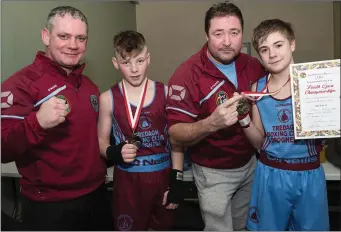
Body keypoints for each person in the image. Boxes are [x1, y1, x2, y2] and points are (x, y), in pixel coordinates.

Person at [1, 6, 113, 230]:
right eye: (64, 36)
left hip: (97, 195)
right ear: (46, 36)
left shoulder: (89, 85)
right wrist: (38, 122)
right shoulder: (20, 85)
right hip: (50, 206)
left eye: (80, 38)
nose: (73, 45)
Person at [166, 2, 266, 231]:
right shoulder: (187, 74)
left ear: (242, 32)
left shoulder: (253, 66)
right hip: (213, 173)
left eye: (234, 32)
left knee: (244, 227)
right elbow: (175, 134)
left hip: (250, 165)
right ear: (206, 35)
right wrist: (211, 123)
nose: (227, 42)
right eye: (218, 33)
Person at [240, 19, 329, 231]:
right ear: (259, 56)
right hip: (271, 172)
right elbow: (259, 143)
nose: (272, 54)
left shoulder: (316, 82)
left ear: (292, 44)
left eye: (278, 45)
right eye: (264, 49)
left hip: (309, 173)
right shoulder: (257, 88)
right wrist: (243, 119)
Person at [97, 30, 184, 231]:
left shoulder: (166, 93)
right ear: (115, 63)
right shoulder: (107, 98)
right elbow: (101, 142)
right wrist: (113, 152)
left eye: (140, 60)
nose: (134, 69)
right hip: (128, 181)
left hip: (162, 177)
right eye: (126, 63)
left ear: (149, 59)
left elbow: (177, 140)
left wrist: (177, 181)